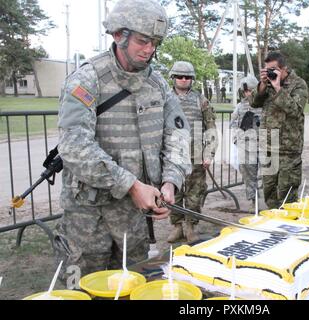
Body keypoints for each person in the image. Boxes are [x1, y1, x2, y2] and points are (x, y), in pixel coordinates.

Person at [54, 0, 191, 279]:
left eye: (155, 42)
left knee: (133, 282)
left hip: (134, 219)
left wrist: (170, 181)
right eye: (143, 41)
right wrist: (130, 185)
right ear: (119, 35)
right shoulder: (87, 80)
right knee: (83, 287)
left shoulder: (158, 85)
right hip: (89, 217)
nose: (150, 49)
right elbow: (74, 146)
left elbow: (178, 134)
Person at [167, 61, 218, 243]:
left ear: (192, 79)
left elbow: (211, 129)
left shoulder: (200, 100)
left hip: (196, 157)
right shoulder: (164, 98)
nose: (183, 80)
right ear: (173, 77)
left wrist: (209, 153)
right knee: (174, 193)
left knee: (194, 193)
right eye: (179, 76)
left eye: (187, 77)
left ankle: (190, 225)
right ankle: (178, 225)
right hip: (171, 157)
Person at [251, 51, 308, 208]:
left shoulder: (298, 84)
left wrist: (277, 89)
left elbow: (295, 110)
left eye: (273, 69)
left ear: (284, 69)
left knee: (287, 196)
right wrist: (262, 84)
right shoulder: (267, 83)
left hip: (287, 150)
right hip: (268, 147)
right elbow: (253, 102)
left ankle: (288, 228)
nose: (270, 73)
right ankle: (273, 228)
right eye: (267, 69)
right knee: (269, 194)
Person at [230, 75, 261, 213]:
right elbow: (234, 125)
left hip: (265, 144)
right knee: (249, 176)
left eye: (250, 90)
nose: (248, 93)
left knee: (270, 174)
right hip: (247, 146)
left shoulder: (265, 104)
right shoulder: (240, 107)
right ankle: (253, 201)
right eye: (246, 91)